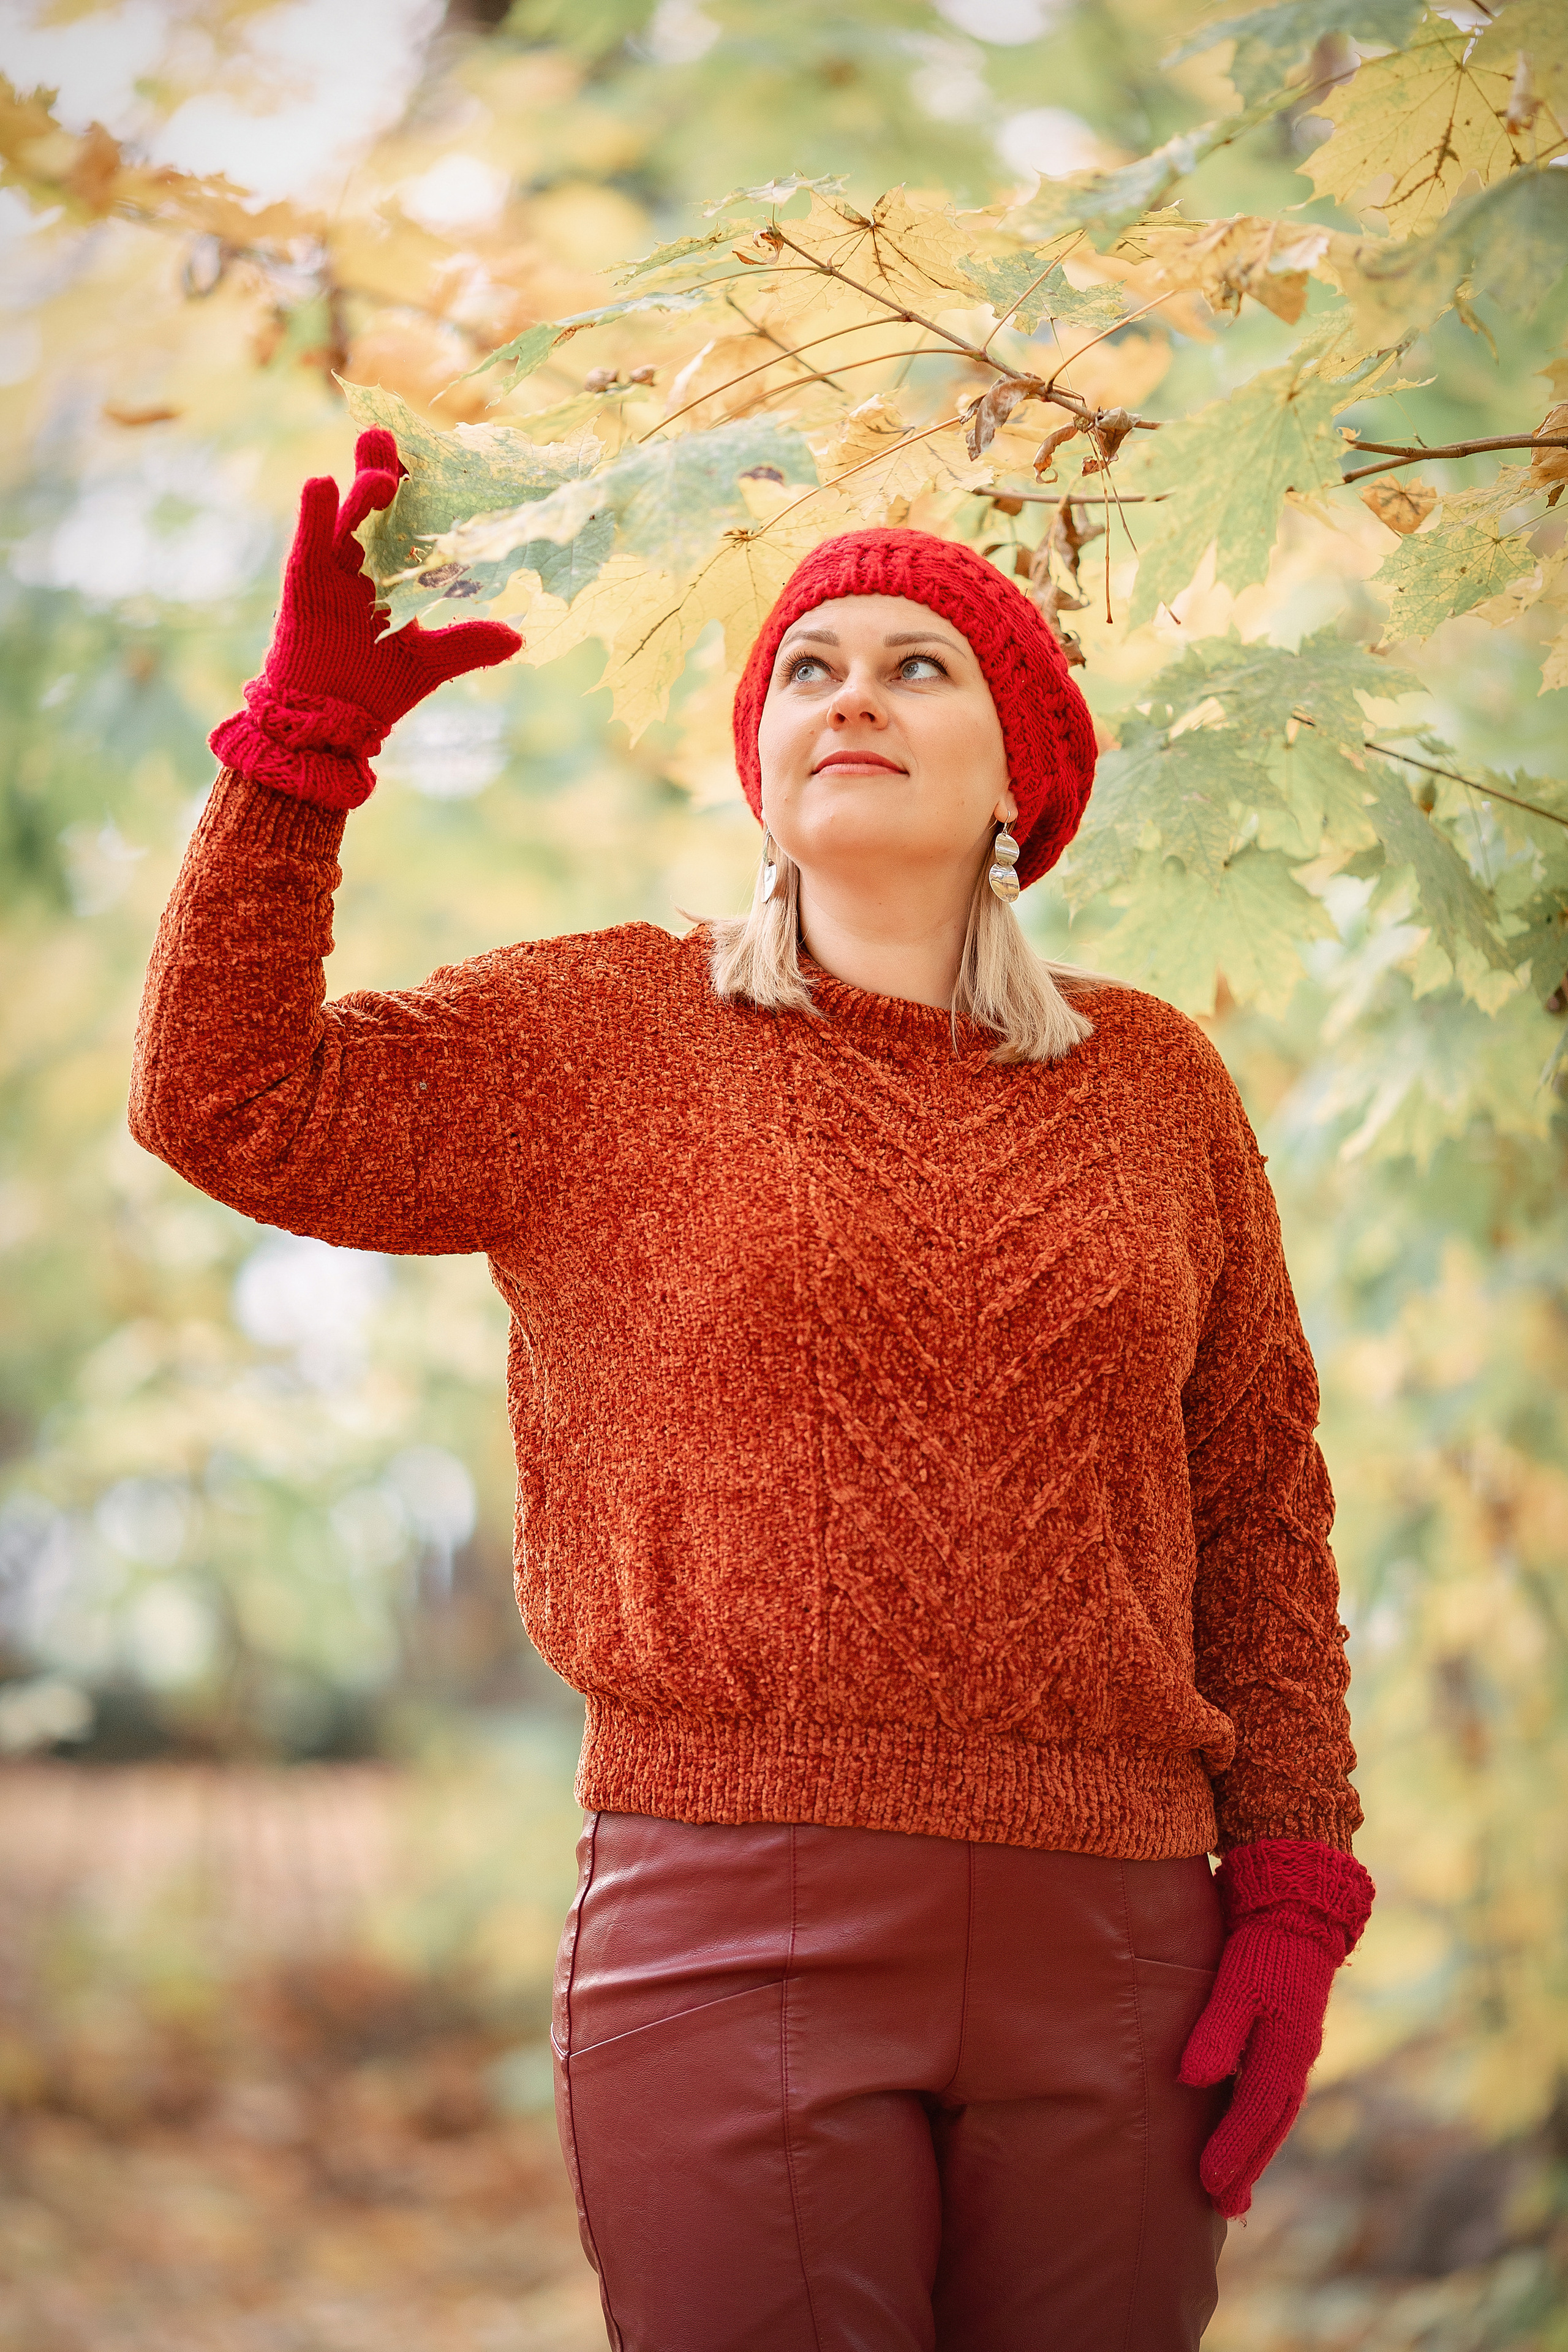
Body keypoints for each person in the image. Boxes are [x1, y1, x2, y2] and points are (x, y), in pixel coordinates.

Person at [131, 429, 1374, 2352]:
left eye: (914, 665)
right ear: (763, 766)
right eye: (810, 666)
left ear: (1018, 781)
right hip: (731, 1926)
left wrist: (1293, 1879)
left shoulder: (1157, 1084)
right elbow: (228, 1102)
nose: (850, 693)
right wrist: (302, 752)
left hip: (1122, 1934)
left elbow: (1261, 1501)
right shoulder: (608, 1034)